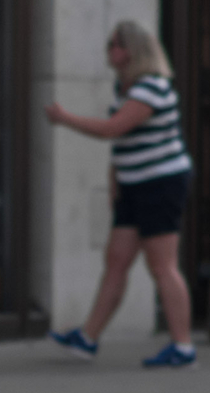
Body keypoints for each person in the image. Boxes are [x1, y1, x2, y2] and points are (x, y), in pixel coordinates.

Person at [44, 19, 197, 368]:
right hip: (135, 184)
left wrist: (65, 118)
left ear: (130, 50)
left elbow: (114, 129)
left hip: (160, 183)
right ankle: (88, 338)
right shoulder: (126, 87)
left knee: (162, 265)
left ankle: (183, 346)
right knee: (116, 260)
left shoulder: (151, 88)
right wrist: (115, 178)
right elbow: (126, 143)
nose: (108, 51)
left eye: (114, 44)